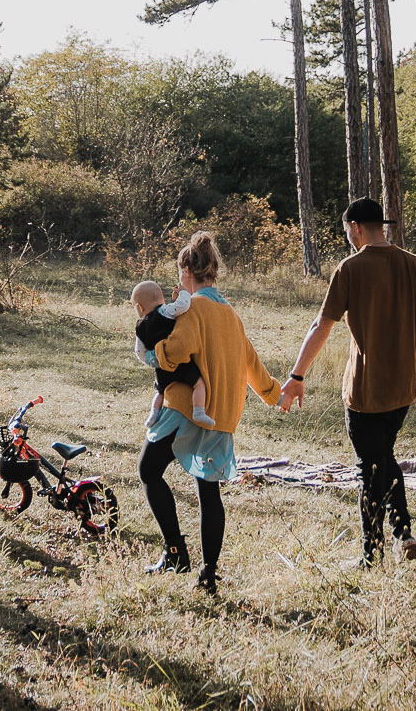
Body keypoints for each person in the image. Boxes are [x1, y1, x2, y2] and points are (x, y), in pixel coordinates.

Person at [280, 198, 416, 566]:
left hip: (363, 389)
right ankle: (403, 533)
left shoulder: (350, 268)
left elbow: (321, 325)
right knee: (383, 457)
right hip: (406, 385)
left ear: (356, 227)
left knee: (368, 467)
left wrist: (297, 375)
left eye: (347, 232)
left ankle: (371, 555)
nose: (348, 238)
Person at [139, 232, 282, 595]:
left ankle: (175, 553)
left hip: (186, 407)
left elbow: (180, 347)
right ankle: (208, 573)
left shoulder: (195, 307)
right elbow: (251, 362)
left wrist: (153, 355)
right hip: (222, 415)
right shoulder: (230, 314)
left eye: (179, 273)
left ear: (187, 271)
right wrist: (274, 393)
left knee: (149, 470)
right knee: (208, 491)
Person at [131, 281, 214, 429]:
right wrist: (183, 291)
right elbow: (183, 305)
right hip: (181, 365)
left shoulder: (140, 326)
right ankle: (198, 411)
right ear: (162, 300)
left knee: (160, 391)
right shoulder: (166, 311)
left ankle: (153, 414)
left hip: (162, 369)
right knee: (199, 384)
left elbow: (139, 352)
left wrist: (154, 359)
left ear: (139, 308)